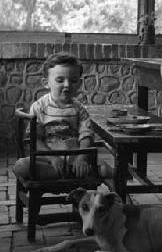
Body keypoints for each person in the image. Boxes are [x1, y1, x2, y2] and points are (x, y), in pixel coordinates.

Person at [13, 52, 113, 180]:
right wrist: (52, 158)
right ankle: (71, 174)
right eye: (60, 80)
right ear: (46, 82)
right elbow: (35, 140)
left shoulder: (79, 109)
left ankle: (74, 172)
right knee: (21, 166)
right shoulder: (39, 107)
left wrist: (81, 158)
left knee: (104, 166)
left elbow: (86, 136)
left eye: (73, 80)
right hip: (48, 158)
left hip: (75, 156)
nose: (67, 84)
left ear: (79, 83)